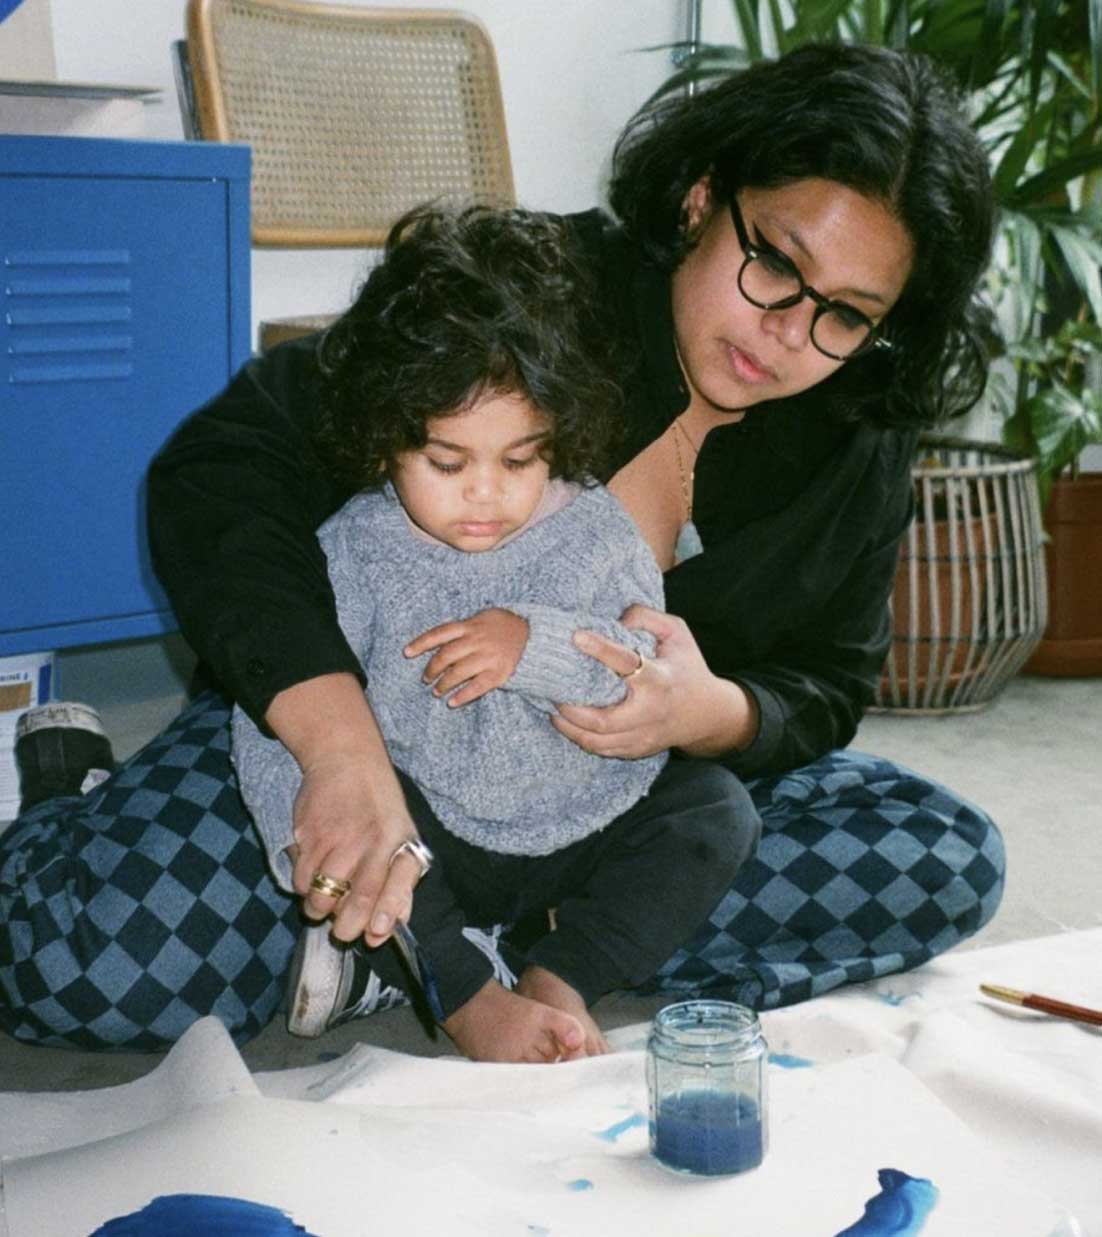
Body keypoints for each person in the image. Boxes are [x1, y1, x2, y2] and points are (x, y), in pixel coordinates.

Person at [0, 43, 1005, 1055]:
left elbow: (826, 683)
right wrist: (340, 754)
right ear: (703, 197)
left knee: (946, 854)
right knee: (77, 964)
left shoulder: (859, 435)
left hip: (617, 807)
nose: (789, 331)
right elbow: (226, 465)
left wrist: (714, 712)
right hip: (391, 742)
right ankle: (84, 793)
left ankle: (469, 949)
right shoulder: (527, 293)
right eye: (778, 263)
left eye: (845, 315)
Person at [230, 205, 760, 1062]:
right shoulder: (354, 548)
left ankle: (561, 974)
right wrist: (309, 836)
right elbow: (270, 723)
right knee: (386, 844)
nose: (485, 493)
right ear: (384, 439)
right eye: (447, 463)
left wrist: (534, 644)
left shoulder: (595, 526)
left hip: (586, 812)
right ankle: (470, 995)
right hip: (436, 826)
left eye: (520, 460)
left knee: (716, 811)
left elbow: (645, 672)